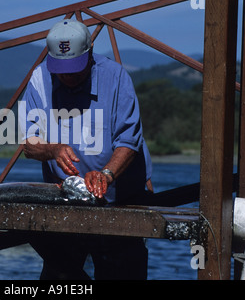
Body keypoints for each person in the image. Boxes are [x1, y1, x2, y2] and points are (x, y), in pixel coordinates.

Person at [20, 19, 151, 280]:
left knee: (122, 271)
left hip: (121, 200)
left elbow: (128, 141)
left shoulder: (116, 77)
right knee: (60, 277)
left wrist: (106, 174)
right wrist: (53, 149)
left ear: (90, 53)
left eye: (75, 70)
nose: (68, 77)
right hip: (66, 203)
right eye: (61, 70)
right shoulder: (38, 79)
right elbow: (28, 145)